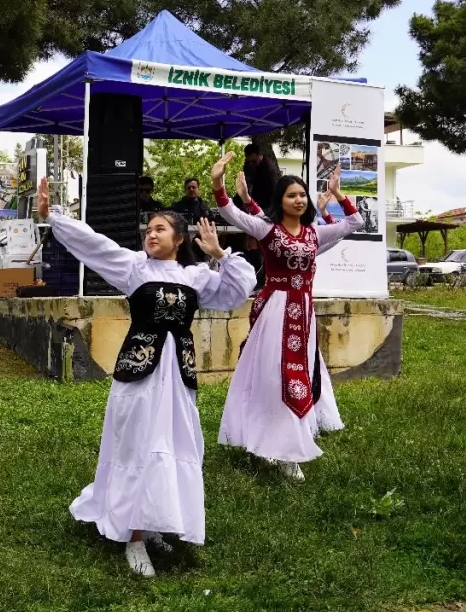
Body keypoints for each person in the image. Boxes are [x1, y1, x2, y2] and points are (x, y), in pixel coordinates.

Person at [38, 177, 255, 578]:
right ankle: (133, 537)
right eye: (148, 230)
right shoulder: (134, 268)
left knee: (173, 443)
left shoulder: (195, 277)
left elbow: (238, 291)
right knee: (139, 444)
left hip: (177, 376)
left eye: (160, 229)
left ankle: (155, 522)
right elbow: (94, 245)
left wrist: (219, 254)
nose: (151, 235)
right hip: (140, 374)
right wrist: (54, 217)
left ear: (179, 239)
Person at [211, 152, 364, 482]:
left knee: (299, 375)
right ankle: (273, 443)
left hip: (303, 313)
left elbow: (355, 224)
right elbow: (229, 212)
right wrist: (218, 182)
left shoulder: (313, 234)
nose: (298, 200)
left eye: (302, 194)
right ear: (280, 200)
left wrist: (338, 194)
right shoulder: (268, 230)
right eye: (291, 195)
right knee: (273, 376)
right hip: (275, 312)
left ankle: (286, 443)